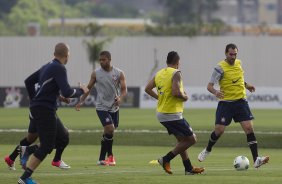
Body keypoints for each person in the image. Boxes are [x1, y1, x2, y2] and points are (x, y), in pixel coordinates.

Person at [17, 42, 89, 184]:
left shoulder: (47, 66)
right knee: (47, 146)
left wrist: (36, 100)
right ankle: (24, 178)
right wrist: (82, 90)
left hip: (42, 107)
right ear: (67, 55)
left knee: (63, 137)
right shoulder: (59, 68)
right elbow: (68, 91)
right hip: (44, 109)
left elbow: (28, 82)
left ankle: (29, 150)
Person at [197, 43, 269, 168]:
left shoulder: (239, 63)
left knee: (249, 129)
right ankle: (207, 149)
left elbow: (239, 79)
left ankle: (256, 159)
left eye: (235, 54)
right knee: (219, 130)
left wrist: (247, 85)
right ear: (226, 53)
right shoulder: (219, 68)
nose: (233, 56)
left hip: (241, 101)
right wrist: (215, 92)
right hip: (226, 104)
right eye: (231, 54)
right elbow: (209, 86)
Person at [144, 51, 204, 175]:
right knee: (192, 139)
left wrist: (159, 98)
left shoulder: (159, 73)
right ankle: (165, 159)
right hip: (172, 114)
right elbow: (176, 92)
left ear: (167, 62)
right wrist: (185, 97)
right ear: (177, 62)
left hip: (161, 114)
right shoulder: (176, 73)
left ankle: (188, 168)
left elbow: (147, 89)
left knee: (182, 141)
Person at [75, 51, 127, 166]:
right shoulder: (96, 73)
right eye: (100, 60)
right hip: (101, 107)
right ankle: (111, 157)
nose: (101, 62)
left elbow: (124, 90)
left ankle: (101, 159)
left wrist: (120, 98)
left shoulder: (119, 73)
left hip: (114, 108)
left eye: (103, 60)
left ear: (109, 59)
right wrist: (81, 101)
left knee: (109, 133)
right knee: (110, 129)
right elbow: (88, 88)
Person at [4, 96, 71, 171]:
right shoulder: (47, 84)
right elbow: (62, 90)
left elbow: (33, 95)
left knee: (29, 139)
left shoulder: (37, 84)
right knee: (62, 137)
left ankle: (11, 158)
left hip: (34, 112)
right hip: (46, 113)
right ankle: (55, 159)